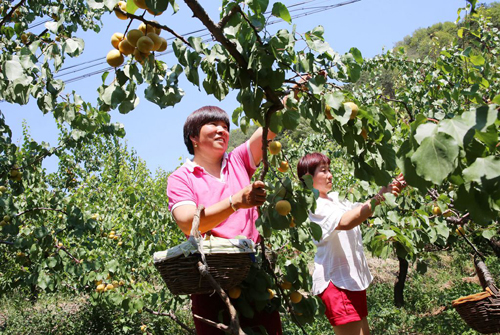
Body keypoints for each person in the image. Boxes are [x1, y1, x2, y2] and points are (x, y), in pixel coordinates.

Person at [166, 106, 282, 335]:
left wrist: (291, 97)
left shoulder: (237, 160)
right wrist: (235, 202)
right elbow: (188, 223)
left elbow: (269, 128)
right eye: (213, 125)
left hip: (253, 271)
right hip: (210, 279)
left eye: (226, 127)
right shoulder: (181, 178)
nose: (222, 130)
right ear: (193, 137)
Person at [297, 152, 406, 335]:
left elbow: (360, 210)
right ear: (308, 178)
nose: (330, 174)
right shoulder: (315, 204)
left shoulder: (334, 200)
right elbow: (346, 221)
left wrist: (385, 192)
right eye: (323, 171)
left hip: (351, 280)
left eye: (329, 169)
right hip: (337, 283)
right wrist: (378, 198)